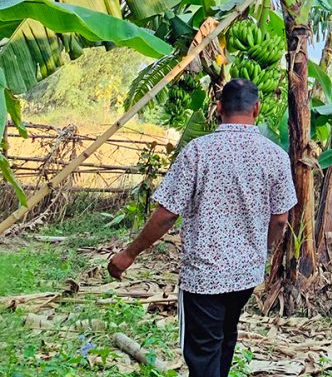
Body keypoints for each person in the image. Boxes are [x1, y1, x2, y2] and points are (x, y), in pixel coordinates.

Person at [107, 78, 297, 377]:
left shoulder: (199, 151)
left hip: (204, 276)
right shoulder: (275, 156)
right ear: (257, 109)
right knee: (225, 338)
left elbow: (167, 214)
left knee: (203, 354)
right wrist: (263, 250)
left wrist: (129, 254)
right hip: (246, 275)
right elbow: (280, 219)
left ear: (218, 108)